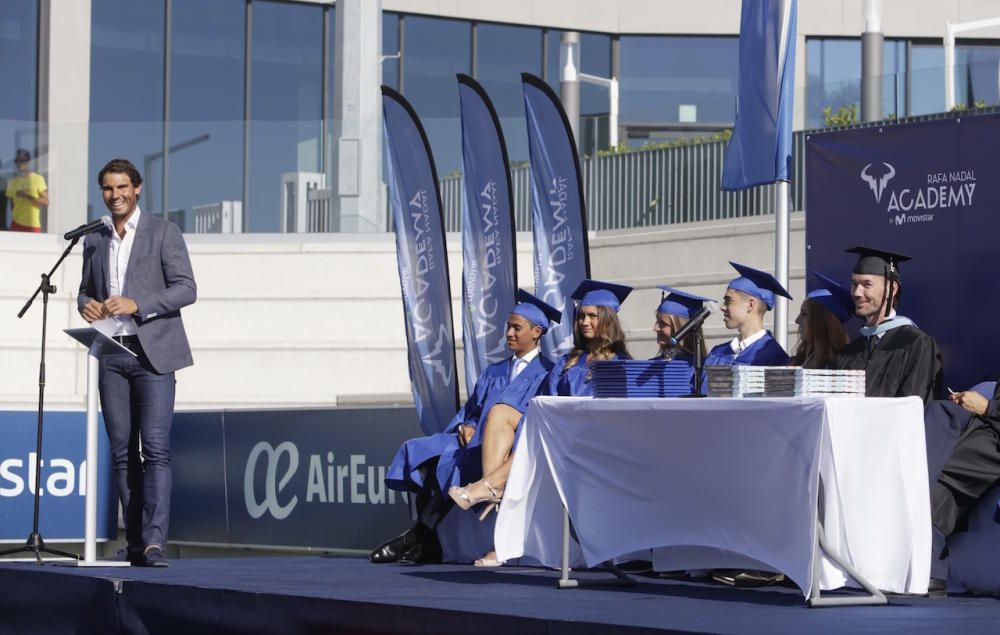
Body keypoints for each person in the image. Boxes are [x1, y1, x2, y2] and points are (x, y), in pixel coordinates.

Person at [448, 278, 633, 566]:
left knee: (537, 441)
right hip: (556, 435)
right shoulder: (568, 362)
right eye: (582, 316)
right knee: (500, 411)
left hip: (590, 442)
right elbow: (541, 405)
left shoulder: (620, 366)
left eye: (592, 316)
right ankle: (493, 491)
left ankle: (487, 490)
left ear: (608, 320)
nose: (584, 321)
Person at [370, 290, 558, 564]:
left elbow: (538, 420)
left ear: (537, 331)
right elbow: (472, 410)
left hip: (505, 450)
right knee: (423, 453)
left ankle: (416, 537)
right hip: (473, 440)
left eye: (517, 328)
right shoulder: (493, 372)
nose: (509, 333)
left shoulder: (547, 374)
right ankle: (429, 541)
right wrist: (467, 425)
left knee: (453, 464)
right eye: (508, 326)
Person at [77, 158, 196, 567]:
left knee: (156, 451)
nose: (116, 195)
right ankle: (136, 541)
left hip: (154, 354)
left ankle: (154, 542)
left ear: (138, 188)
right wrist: (87, 307)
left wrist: (138, 304)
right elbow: (83, 293)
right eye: (108, 189)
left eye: (123, 187)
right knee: (122, 452)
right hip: (111, 353)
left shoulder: (164, 232)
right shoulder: (94, 239)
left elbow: (186, 289)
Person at [834, 246, 941, 402]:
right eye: (854, 284)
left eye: (867, 284)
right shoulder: (850, 351)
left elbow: (915, 407)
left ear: (892, 288)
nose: (857, 292)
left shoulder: (916, 344)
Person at [927, 382, 1000, 595]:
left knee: (940, 463)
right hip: (988, 425)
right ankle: (925, 562)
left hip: (994, 437)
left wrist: (987, 407)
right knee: (937, 412)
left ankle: (931, 566)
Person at [703, 262, 792, 374]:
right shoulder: (717, 353)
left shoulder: (774, 358)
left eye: (728, 301)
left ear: (750, 305)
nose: (722, 307)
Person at [789, 272, 852, 369]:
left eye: (804, 314)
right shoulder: (797, 361)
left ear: (821, 322)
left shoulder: (844, 364)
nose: (797, 320)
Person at [653, 286, 711, 391]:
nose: (655, 328)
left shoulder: (699, 369)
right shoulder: (650, 365)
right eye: (657, 322)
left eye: (663, 324)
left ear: (680, 327)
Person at [6, 149, 48, 232]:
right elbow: (12, 206)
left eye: (22, 161)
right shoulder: (12, 182)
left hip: (32, 226)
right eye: (17, 161)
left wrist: (27, 196)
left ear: (28, 162)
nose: (19, 163)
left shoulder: (38, 179)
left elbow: (46, 201)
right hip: (16, 224)